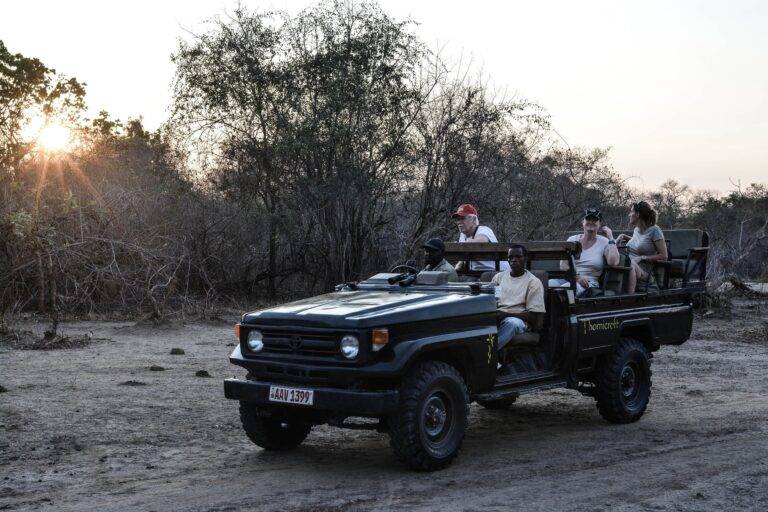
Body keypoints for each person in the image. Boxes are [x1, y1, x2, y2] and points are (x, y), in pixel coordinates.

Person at [549, 208, 620, 296]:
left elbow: (613, 262)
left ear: (600, 224)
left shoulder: (604, 242)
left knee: (565, 289)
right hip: (570, 279)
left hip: (589, 284)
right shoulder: (572, 240)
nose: (591, 222)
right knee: (548, 284)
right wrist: (577, 278)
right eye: (588, 219)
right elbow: (563, 265)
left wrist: (611, 238)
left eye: (595, 220)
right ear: (583, 222)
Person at [492, 245, 546, 352]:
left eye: (518, 256)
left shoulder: (533, 282)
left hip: (519, 321)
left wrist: (505, 315)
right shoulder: (499, 278)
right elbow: (492, 300)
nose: (513, 260)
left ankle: (490, 353)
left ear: (525, 258)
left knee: (511, 323)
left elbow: (534, 317)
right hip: (497, 316)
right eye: (510, 257)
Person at [616, 201, 667, 293]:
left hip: (644, 269)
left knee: (630, 264)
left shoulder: (655, 230)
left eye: (631, 211)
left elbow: (664, 256)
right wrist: (623, 236)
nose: (629, 215)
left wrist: (642, 257)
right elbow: (639, 243)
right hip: (629, 261)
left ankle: (630, 297)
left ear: (637, 214)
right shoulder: (637, 229)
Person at [451, 204, 510, 273]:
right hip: (477, 272)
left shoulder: (484, 229)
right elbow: (463, 259)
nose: (459, 222)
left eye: (463, 218)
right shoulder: (463, 235)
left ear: (474, 220)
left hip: (498, 271)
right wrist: (455, 270)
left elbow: (481, 241)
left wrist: (460, 245)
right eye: (458, 219)